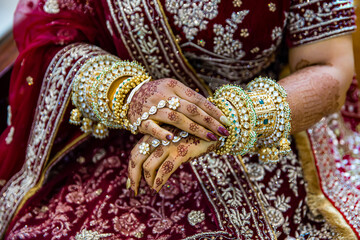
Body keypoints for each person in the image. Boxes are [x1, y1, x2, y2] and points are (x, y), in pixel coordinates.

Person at [0, 0, 359, 239]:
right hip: (124, 133)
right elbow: (58, 37)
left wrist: (228, 121)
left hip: (271, 125)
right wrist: (127, 94)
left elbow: (328, 67)